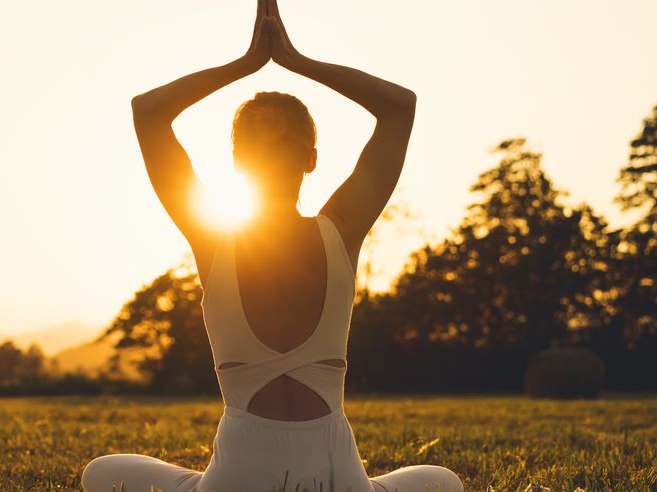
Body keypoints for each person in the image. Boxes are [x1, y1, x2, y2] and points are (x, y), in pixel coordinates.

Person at [81, 1, 462, 491]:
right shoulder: (341, 230)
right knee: (441, 480)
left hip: (236, 478)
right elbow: (399, 106)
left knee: (100, 472)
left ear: (237, 162)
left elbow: (148, 112)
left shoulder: (213, 239)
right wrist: (295, 58)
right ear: (311, 159)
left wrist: (245, 62)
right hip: (335, 477)